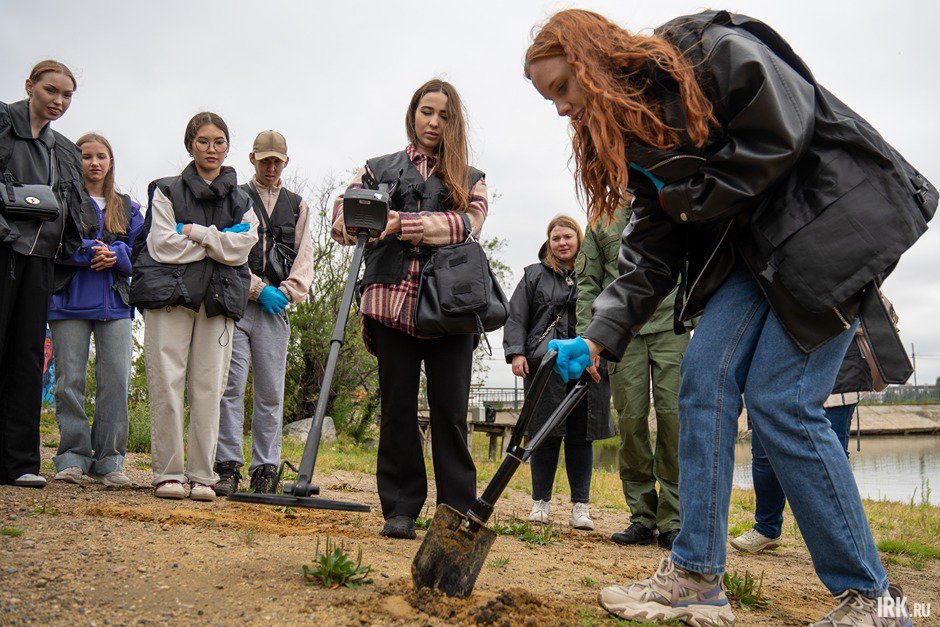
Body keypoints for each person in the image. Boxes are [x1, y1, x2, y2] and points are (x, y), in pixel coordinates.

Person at [525, 9, 933, 626]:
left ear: (593, 59)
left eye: (561, 89)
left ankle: (874, 602)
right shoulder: (637, 135)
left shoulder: (707, 52)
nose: (560, 109)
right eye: (548, 97)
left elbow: (782, 130)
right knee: (702, 383)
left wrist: (685, 198)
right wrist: (602, 335)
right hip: (754, 254)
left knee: (781, 402)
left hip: (825, 227)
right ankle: (695, 575)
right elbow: (653, 245)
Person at [331, 79, 489, 539]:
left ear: (453, 121)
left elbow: (468, 223)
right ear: (412, 114)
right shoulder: (377, 168)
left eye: (444, 115)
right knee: (397, 409)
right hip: (389, 302)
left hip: (452, 309)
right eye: (426, 111)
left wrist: (403, 223)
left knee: (450, 413)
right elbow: (343, 215)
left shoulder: (471, 176)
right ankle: (400, 508)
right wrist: (355, 221)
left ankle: (455, 512)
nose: (433, 122)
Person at [130, 112, 258, 502]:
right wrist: (219, 241)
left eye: (219, 141)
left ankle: (203, 475)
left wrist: (196, 233)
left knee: (209, 387)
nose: (212, 149)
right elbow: (162, 246)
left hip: (217, 301)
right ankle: (167, 473)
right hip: (170, 297)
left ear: (228, 146)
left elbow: (242, 251)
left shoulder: (242, 199)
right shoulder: (166, 191)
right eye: (203, 141)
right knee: (166, 382)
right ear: (190, 145)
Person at [0, 61, 97, 488]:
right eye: (50, 91)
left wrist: (74, 243)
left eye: (67, 95)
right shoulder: (3, 123)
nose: (58, 101)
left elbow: (72, 207)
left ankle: (19, 463)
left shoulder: (63, 148)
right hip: (3, 250)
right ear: (29, 87)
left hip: (41, 260)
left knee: (26, 358)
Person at [576, 200, 690, 550]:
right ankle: (642, 516)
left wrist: (699, 321)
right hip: (623, 334)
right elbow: (588, 284)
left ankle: (672, 519)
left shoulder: (668, 204)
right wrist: (587, 341)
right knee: (631, 421)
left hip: (673, 324)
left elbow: (693, 264)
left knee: (674, 419)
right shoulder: (600, 220)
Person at [214, 130, 315, 496]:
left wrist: (286, 293)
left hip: (276, 310)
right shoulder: (235, 197)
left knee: (271, 392)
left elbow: (305, 259)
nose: (271, 166)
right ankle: (226, 465)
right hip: (238, 304)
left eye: (277, 160)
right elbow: (226, 250)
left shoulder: (298, 204)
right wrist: (257, 288)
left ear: (285, 162)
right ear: (252, 158)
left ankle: (265, 468)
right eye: (264, 159)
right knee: (231, 387)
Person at [504, 214, 613, 531]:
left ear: (578, 239)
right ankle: (541, 502)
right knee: (544, 433)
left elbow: (608, 316)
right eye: (556, 238)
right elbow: (517, 316)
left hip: (587, 365)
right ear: (548, 243)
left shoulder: (593, 275)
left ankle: (580, 507)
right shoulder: (533, 275)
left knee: (582, 436)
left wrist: (602, 350)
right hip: (545, 366)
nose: (562, 242)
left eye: (568, 237)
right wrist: (516, 353)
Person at [48, 132, 143, 486]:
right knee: (69, 381)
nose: (94, 162)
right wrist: (89, 249)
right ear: (76, 161)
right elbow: (52, 242)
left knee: (115, 383)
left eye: (101, 156)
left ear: (111, 161)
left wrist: (118, 255)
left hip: (114, 304)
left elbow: (142, 254)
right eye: (86, 156)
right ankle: (72, 457)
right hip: (67, 301)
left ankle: (110, 461)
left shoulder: (129, 206)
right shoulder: (62, 199)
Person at [732, 332, 873, 553]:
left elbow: (884, 314)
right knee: (764, 454)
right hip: (776, 366)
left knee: (830, 459)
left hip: (839, 367)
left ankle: (838, 541)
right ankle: (766, 529)